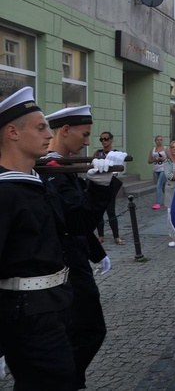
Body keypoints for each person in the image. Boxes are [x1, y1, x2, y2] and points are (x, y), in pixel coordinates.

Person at [0, 87, 77, 389]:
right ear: (12, 133)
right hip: (26, 315)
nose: (50, 134)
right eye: (41, 127)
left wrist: (100, 186)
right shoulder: (5, 191)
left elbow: (74, 229)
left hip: (54, 305)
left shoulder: (36, 182)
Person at [42, 104, 124, 390]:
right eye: (85, 134)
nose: (88, 141)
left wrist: (97, 253)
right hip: (65, 267)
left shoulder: (61, 166)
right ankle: (67, 381)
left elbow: (77, 222)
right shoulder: (50, 170)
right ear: (65, 130)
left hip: (76, 260)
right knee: (89, 331)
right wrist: (101, 186)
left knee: (83, 331)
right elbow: (75, 220)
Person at [94, 131, 125, 245]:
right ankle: (100, 235)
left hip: (111, 182)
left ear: (111, 139)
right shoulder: (98, 153)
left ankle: (116, 236)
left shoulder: (116, 153)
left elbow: (119, 168)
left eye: (106, 139)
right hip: (99, 183)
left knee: (110, 209)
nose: (104, 141)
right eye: (101, 139)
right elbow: (92, 166)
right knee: (99, 210)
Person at [149, 135, 167, 209]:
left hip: (164, 169)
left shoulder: (165, 149)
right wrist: (154, 160)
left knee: (159, 185)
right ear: (155, 141)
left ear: (162, 141)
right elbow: (149, 161)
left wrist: (163, 159)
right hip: (156, 169)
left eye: (161, 140)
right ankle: (170, 199)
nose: (159, 141)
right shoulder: (152, 150)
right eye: (158, 140)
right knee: (163, 186)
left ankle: (157, 203)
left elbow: (170, 159)